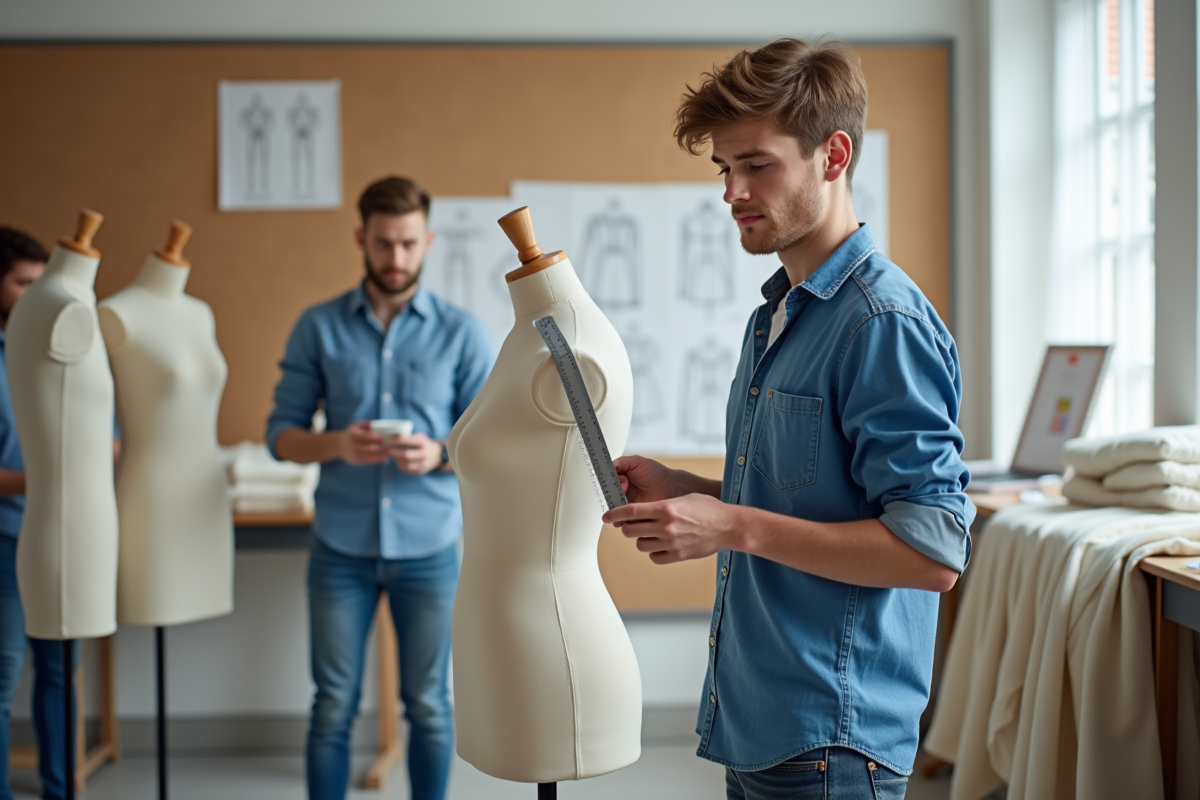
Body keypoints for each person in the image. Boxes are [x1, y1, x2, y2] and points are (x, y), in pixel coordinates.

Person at [603, 39, 975, 800]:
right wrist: (689, 490)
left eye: (757, 165)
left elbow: (933, 553)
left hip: (833, 746)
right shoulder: (776, 317)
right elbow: (813, 498)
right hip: (764, 725)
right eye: (723, 169)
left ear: (832, 156)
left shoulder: (881, 323)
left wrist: (730, 526)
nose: (731, 190)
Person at [266, 177, 493, 800]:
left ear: (429, 241)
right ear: (361, 239)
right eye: (384, 243)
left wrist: (441, 453)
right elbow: (280, 436)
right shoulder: (317, 327)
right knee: (333, 703)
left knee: (429, 703)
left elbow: (490, 446)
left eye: (408, 244)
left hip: (430, 547)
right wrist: (335, 442)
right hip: (340, 547)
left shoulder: (462, 332)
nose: (396, 258)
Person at [0, 227, 78, 800]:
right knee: (2, 680)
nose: (35, 294)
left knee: (59, 674)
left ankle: (61, 789)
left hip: (62, 538)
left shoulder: (65, 345)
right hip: (6, 539)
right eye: (23, 282)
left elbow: (109, 435)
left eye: (40, 281)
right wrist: (44, 479)